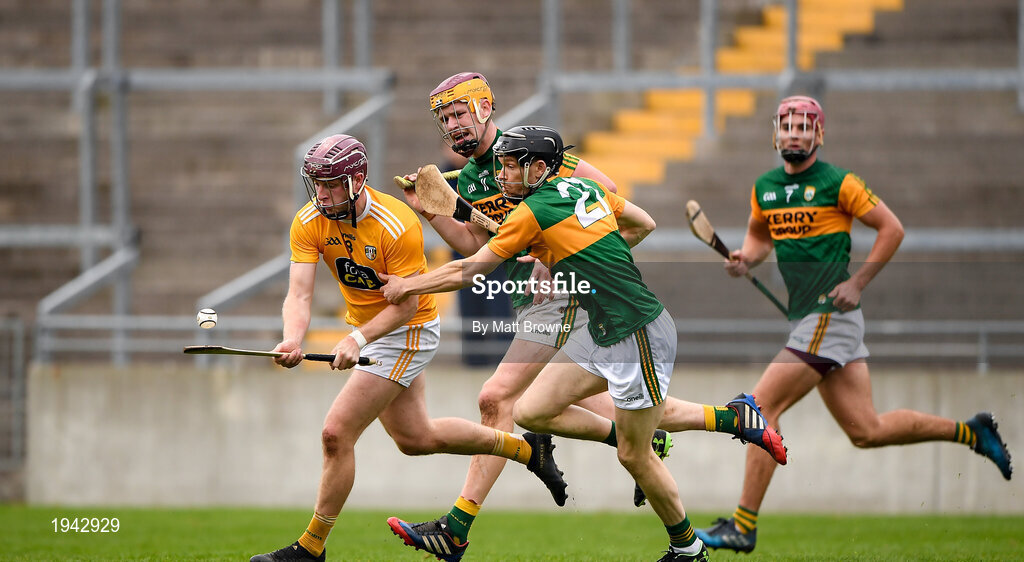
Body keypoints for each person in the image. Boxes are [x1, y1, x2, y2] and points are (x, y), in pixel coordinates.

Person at [387, 74, 787, 561]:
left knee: (498, 399)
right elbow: (475, 246)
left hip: (566, 297)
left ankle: (456, 527)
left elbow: (605, 194)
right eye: (444, 119)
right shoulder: (470, 179)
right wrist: (434, 212)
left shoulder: (536, 152)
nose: (452, 126)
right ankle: (714, 422)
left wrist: (550, 257)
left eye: (459, 114)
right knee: (579, 410)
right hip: (533, 299)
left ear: (486, 108)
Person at [694, 95, 1014, 554]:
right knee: (867, 430)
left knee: (759, 406)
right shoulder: (764, 187)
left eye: (804, 126)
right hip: (810, 320)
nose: (794, 133)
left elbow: (892, 229)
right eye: (787, 125)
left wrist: (859, 281)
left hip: (831, 313)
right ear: (775, 132)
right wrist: (747, 258)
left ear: (819, 135)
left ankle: (742, 526)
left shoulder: (838, 182)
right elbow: (761, 236)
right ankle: (972, 430)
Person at [249, 134, 571, 562]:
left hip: (408, 329)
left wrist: (357, 339)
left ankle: (311, 548)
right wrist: (292, 338)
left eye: (330, 185)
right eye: (317, 184)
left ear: (356, 179)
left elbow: (411, 305)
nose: (321, 194)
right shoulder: (309, 221)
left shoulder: (395, 221)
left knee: (335, 434)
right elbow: (300, 296)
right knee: (416, 438)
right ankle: (528, 450)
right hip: (372, 330)